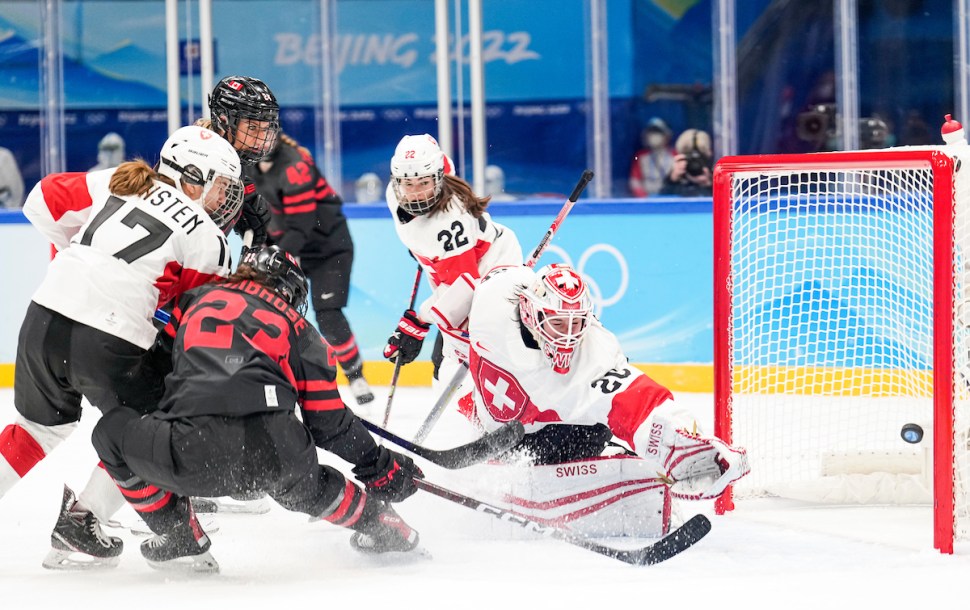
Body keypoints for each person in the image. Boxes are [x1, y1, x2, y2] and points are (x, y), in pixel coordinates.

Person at [90, 246, 423, 573]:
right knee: (309, 484)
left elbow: (150, 382)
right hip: (278, 453)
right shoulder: (304, 332)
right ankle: (384, 524)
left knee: (110, 433)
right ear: (288, 289)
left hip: (193, 453)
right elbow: (329, 425)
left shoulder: (194, 299)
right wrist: (379, 465)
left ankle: (178, 533)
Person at [1, 125, 244, 569]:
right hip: (109, 339)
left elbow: (39, 201)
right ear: (192, 176)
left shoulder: (117, 178)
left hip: (44, 315)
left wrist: (79, 260)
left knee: (37, 429)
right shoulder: (208, 236)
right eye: (221, 188)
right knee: (154, 428)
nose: (223, 201)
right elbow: (206, 322)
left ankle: (84, 523)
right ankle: (161, 539)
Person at [435, 263, 750, 536]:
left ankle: (557, 485)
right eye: (558, 323)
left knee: (596, 425)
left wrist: (682, 444)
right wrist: (443, 334)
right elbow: (464, 292)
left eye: (577, 323)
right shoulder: (497, 298)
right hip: (489, 419)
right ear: (531, 312)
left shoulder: (594, 356)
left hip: (537, 436)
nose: (568, 336)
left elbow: (635, 400)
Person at [382, 134, 523, 392]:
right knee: (449, 362)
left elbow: (463, 290)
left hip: (491, 273)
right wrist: (420, 251)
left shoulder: (450, 222)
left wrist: (419, 322)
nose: (416, 193)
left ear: (438, 179)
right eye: (408, 184)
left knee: (456, 363)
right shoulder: (395, 192)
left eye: (424, 183)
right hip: (461, 274)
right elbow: (443, 161)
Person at [245, 131, 375, 405]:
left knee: (328, 315)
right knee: (270, 312)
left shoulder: (296, 167)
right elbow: (257, 216)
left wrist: (272, 256)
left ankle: (355, 375)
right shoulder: (251, 168)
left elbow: (300, 226)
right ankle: (275, 377)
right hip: (291, 247)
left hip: (329, 249)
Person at [628, 117, 675, 197]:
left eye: (658, 133)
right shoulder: (639, 157)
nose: (654, 136)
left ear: (667, 136)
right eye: (651, 133)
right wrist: (644, 198)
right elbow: (635, 182)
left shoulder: (675, 155)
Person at [660, 128, 714, 197]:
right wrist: (672, 180)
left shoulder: (715, 176)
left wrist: (710, 185)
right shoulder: (675, 178)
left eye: (700, 158)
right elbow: (662, 203)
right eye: (689, 156)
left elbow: (726, 202)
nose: (694, 163)